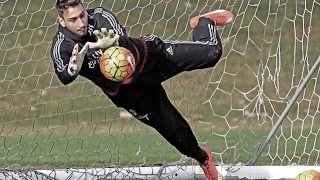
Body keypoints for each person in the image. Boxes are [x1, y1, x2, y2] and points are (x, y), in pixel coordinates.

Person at [50, 0, 235, 179]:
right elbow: (63, 76)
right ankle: (204, 159)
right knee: (175, 133)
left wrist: (113, 44)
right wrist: (72, 69)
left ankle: (204, 22)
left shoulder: (99, 16)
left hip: (150, 58)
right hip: (131, 93)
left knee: (212, 52)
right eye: (73, 20)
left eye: (82, 15)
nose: (82, 22)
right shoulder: (62, 45)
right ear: (62, 21)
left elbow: (123, 40)